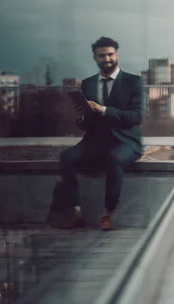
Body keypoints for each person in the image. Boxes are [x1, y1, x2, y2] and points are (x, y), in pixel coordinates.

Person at [58, 36, 143, 231]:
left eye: (110, 54)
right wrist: (81, 118)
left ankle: (108, 214)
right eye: (102, 55)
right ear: (95, 58)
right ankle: (76, 212)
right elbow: (86, 125)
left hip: (126, 142)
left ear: (117, 54)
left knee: (114, 158)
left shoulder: (134, 82)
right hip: (95, 142)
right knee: (66, 158)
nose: (107, 59)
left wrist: (103, 109)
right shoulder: (87, 84)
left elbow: (137, 116)